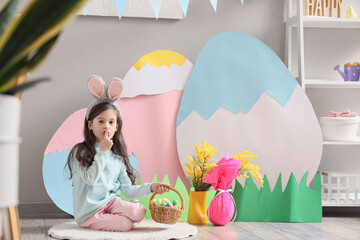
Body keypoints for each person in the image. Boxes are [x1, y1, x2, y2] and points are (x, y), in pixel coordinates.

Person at [65, 75, 170, 232]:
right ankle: (117, 217)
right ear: (90, 125)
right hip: (89, 212)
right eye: (101, 121)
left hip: (110, 202)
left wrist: (152, 187)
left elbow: (127, 189)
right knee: (125, 225)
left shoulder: (117, 158)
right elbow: (90, 179)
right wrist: (103, 151)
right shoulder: (80, 151)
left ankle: (125, 210)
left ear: (116, 127)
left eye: (111, 122)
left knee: (140, 212)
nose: (106, 126)